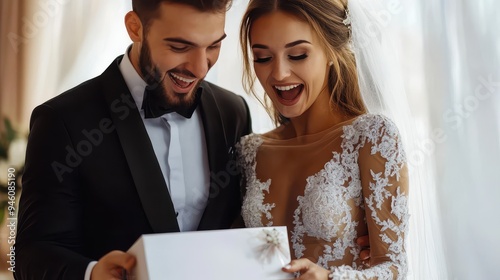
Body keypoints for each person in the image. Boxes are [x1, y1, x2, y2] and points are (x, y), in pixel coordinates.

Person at [15, 1, 252, 279]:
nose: (200, 68)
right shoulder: (63, 120)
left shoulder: (233, 111)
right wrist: (91, 273)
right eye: (179, 47)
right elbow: (32, 255)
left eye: (213, 46)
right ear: (135, 27)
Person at [236, 0, 409, 279]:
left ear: (332, 51)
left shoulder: (372, 137)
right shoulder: (249, 151)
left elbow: (394, 268)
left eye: (298, 55)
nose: (278, 74)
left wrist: (330, 278)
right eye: (263, 58)